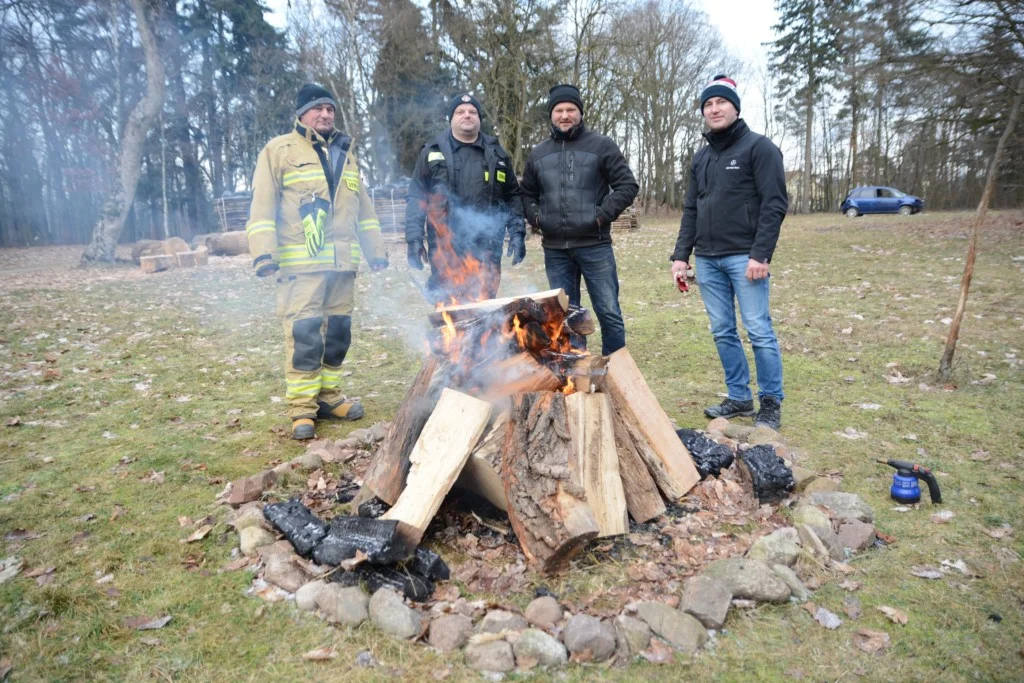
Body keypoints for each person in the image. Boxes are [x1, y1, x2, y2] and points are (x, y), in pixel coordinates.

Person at [246, 83, 388, 440]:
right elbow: (262, 206)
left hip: (342, 265)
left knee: (338, 334)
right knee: (305, 335)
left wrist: (377, 252)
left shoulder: (346, 152)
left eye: (330, 109)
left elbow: (364, 210)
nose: (325, 115)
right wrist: (264, 253)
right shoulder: (279, 150)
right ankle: (301, 409)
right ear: (301, 113)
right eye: (317, 109)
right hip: (301, 267)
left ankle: (329, 397)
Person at [670, 75, 788, 430]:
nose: (714, 109)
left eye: (720, 102)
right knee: (722, 330)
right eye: (707, 104)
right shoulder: (702, 157)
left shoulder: (759, 148)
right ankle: (739, 397)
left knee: (758, 329)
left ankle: (770, 401)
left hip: (745, 258)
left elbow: (774, 204)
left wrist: (760, 254)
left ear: (735, 107)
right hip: (707, 260)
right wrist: (681, 256)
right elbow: (691, 209)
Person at [520, 84, 638, 356]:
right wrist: (538, 218)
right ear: (551, 114)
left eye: (571, 109)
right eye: (559, 110)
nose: (565, 115)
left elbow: (627, 186)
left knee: (608, 310)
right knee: (563, 315)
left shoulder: (602, 146)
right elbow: (526, 194)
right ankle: (575, 368)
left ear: (580, 113)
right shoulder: (538, 153)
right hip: (555, 249)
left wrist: (601, 215)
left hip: (595, 245)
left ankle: (617, 369)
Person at [405, 93, 525, 303]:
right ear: (451, 118)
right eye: (460, 111)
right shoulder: (431, 152)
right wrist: (414, 239)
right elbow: (416, 197)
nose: (467, 115)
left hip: (487, 248)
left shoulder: (498, 154)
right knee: (449, 312)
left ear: (479, 118)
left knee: (484, 312)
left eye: (472, 112)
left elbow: (512, 196)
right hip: (445, 248)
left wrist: (517, 232)